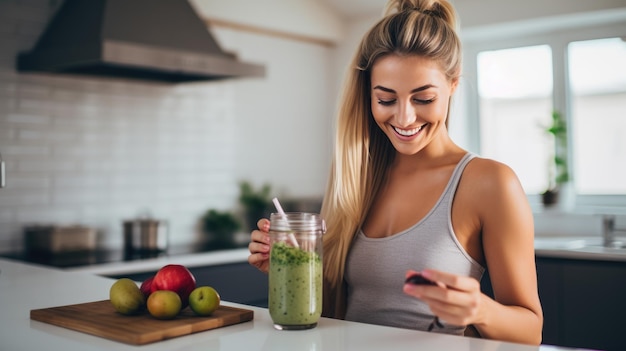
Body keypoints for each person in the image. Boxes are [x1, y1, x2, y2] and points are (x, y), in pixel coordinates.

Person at [248, 0, 543, 345]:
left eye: (423, 99)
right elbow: (333, 314)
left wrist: (480, 309)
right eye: (386, 100)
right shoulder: (357, 176)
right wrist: (291, 269)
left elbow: (531, 330)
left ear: (453, 85)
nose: (404, 119)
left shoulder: (489, 183)